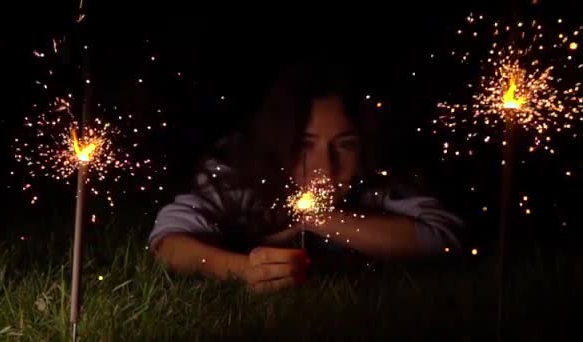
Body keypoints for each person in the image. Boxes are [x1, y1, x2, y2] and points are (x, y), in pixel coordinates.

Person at [148, 61, 464, 294]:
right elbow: (168, 241)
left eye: (344, 145)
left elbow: (444, 239)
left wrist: (316, 219)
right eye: (305, 146)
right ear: (279, 143)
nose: (325, 169)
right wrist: (244, 270)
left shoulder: (373, 181)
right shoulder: (244, 176)